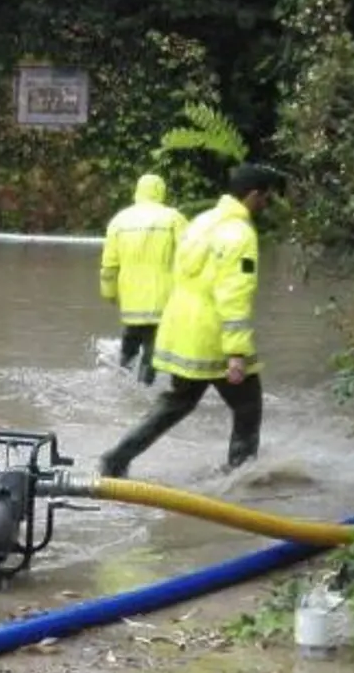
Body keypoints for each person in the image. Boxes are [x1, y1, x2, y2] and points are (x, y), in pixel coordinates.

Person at [100, 163, 280, 477]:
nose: (267, 205)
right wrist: (237, 353)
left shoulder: (201, 221)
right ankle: (241, 476)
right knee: (248, 406)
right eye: (267, 198)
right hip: (214, 337)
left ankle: (116, 458)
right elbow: (234, 293)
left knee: (178, 402)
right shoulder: (239, 234)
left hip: (182, 332)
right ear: (253, 196)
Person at [99, 173, 185, 386]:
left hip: (131, 298)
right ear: (161, 191)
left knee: (131, 336)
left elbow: (109, 265)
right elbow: (191, 253)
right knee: (153, 346)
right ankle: (142, 390)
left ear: (137, 191)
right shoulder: (173, 217)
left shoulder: (119, 221)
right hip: (164, 297)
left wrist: (109, 293)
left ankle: (120, 378)